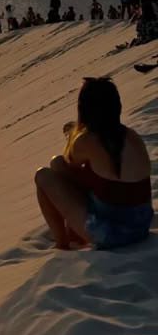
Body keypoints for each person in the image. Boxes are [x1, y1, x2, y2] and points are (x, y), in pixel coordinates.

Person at [34, 78, 153, 250]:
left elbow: (70, 162)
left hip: (113, 234)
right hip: (141, 226)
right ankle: (74, 234)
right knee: (57, 164)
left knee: (43, 175)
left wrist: (73, 133)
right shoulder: (130, 135)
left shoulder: (87, 140)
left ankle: (62, 244)